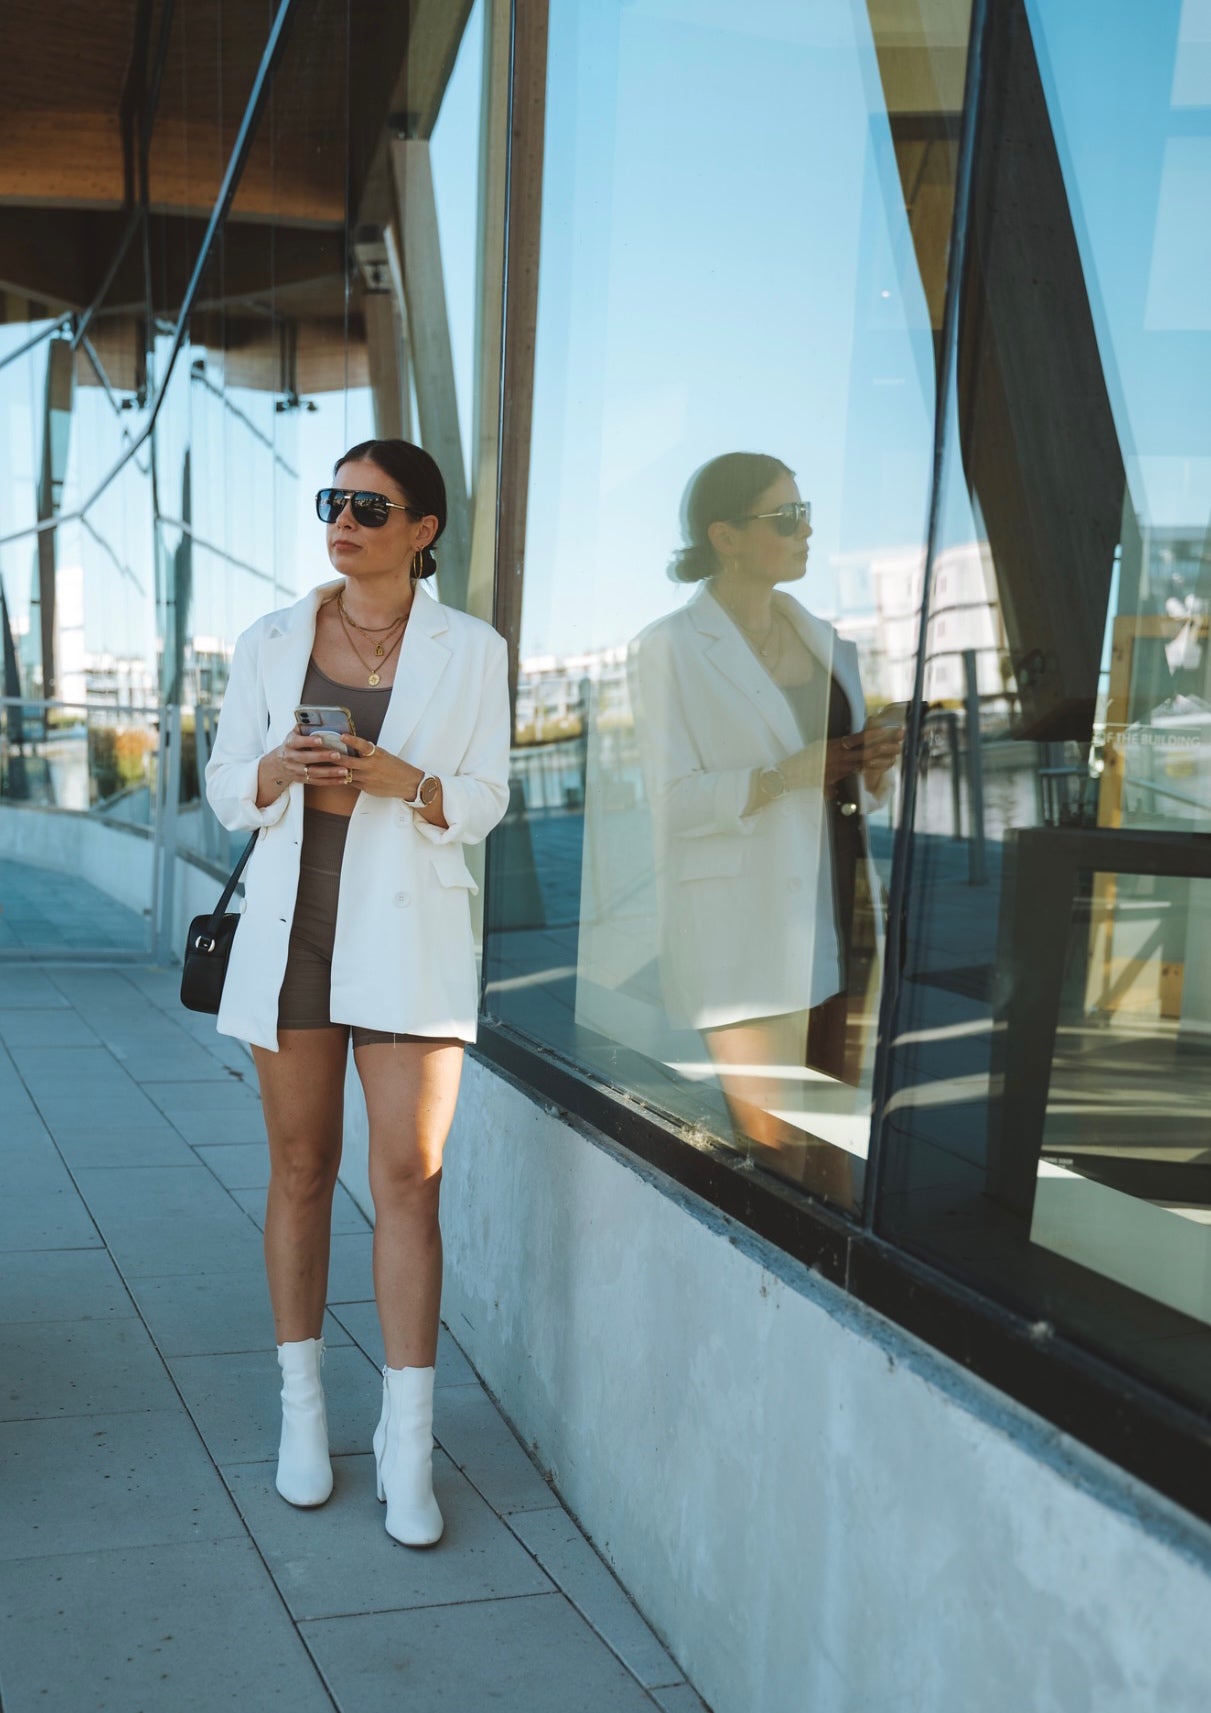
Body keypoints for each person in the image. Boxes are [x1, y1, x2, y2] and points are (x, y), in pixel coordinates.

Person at [204, 438, 510, 1545]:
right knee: (299, 1169)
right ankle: (303, 1414)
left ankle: (409, 1443)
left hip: (410, 938)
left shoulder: (471, 650)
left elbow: (486, 796)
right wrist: (275, 770)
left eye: (368, 506)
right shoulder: (272, 637)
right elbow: (223, 782)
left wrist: (408, 783)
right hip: (294, 937)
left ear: (422, 529)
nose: (343, 519)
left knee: (409, 1180)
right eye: (332, 501)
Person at [630, 452, 902, 1198]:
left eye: (804, 511)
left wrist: (872, 762)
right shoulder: (670, 648)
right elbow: (672, 801)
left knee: (834, 1149)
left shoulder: (829, 643)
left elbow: (847, 790)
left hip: (842, 909)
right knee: (778, 1154)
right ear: (725, 535)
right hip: (740, 924)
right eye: (786, 517)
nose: (806, 529)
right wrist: (784, 775)